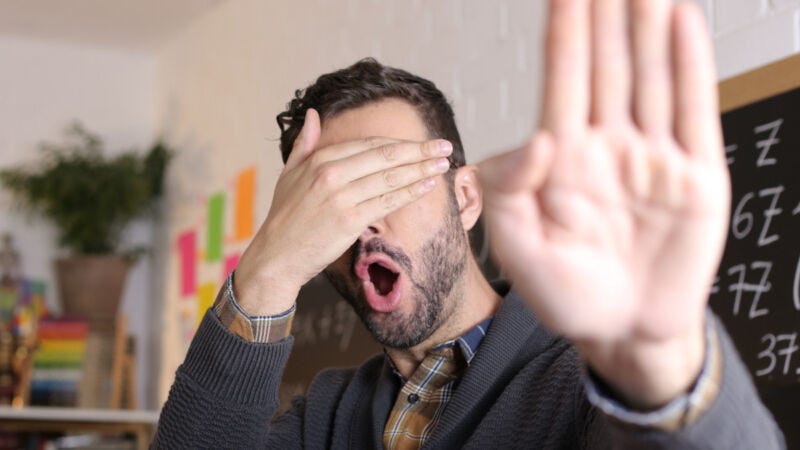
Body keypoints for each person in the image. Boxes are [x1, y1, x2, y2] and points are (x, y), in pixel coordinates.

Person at [154, 1, 785, 448]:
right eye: (332, 203)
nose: (364, 220)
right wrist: (266, 271)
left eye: (389, 181)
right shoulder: (326, 414)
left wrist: (658, 357)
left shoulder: (579, 385)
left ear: (465, 197)